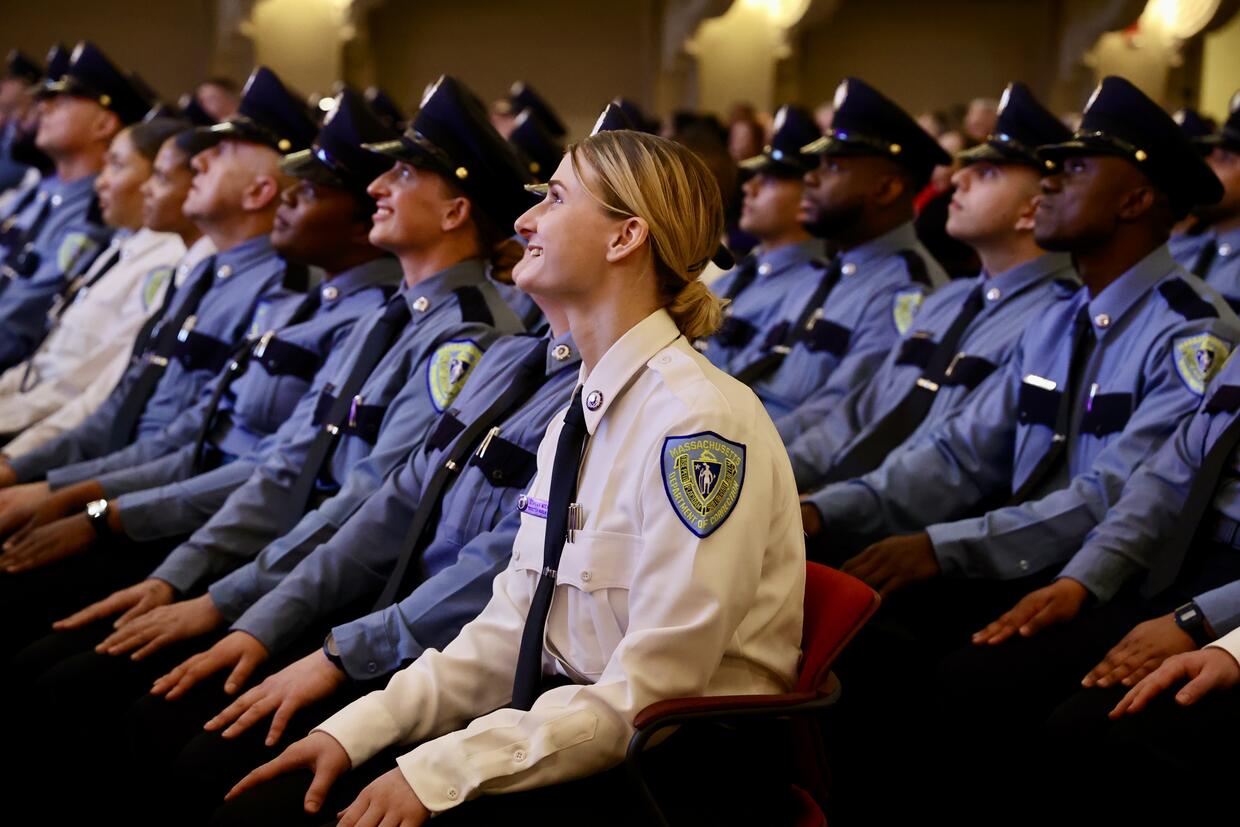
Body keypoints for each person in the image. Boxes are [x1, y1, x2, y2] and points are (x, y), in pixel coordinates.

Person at [218, 128, 805, 827]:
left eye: (555, 198)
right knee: (263, 776)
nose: (524, 220)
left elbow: (651, 692)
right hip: (563, 723)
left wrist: (439, 770)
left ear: (625, 238)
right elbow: (509, 627)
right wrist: (356, 728)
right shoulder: (584, 411)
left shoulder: (698, 426)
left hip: (665, 769)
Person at [0, 64, 318, 659]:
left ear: (259, 192)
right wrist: (41, 483)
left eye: (218, 155)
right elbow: (126, 413)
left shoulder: (284, 293)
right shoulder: (202, 273)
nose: (198, 162)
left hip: (184, 523)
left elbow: (222, 460)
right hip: (132, 494)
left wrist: (85, 506)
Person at [794, 82, 1075, 519]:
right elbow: (856, 414)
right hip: (839, 499)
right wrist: (769, 468)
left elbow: (962, 458)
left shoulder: (1056, 319)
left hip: (907, 534)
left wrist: (828, 511)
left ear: (1032, 211)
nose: (958, 178)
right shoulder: (949, 300)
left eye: (988, 173)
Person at [767, 77, 949, 440]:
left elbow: (840, 414)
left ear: (886, 188)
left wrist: (739, 448)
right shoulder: (831, 273)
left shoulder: (906, 287)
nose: (811, 179)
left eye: (833, 167)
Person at [0, 118, 195, 444]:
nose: (100, 183)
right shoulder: (123, 246)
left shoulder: (166, 263)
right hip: (23, 410)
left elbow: (83, 387)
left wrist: (14, 453)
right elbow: (44, 365)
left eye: (117, 166)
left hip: (44, 434)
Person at [0, 41, 150, 370]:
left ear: (104, 125)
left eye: (62, 100)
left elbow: (21, 318)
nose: (44, 109)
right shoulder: (39, 192)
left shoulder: (96, 213)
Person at [697, 104, 824, 379]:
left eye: (768, 181)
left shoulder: (813, 287)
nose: (748, 187)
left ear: (807, 198)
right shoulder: (744, 272)